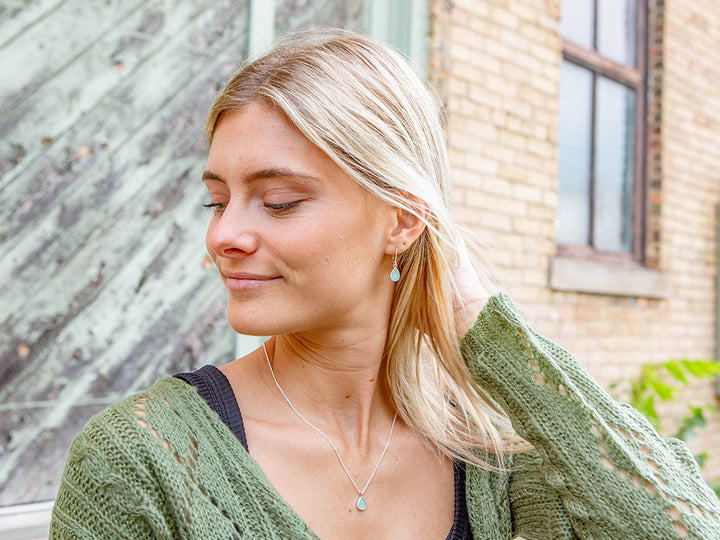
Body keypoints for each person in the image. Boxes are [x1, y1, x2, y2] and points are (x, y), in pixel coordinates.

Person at [50, 30, 720, 539]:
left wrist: (484, 326)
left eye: (278, 200)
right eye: (217, 201)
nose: (224, 235)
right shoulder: (141, 460)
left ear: (402, 219)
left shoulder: (502, 460)